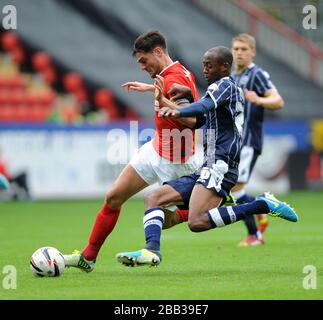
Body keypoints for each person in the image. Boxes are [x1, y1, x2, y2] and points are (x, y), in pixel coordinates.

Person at [116, 46, 297, 267]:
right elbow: (199, 120)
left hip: (221, 166)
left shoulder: (226, 86)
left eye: (209, 66)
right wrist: (163, 99)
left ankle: (262, 205)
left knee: (197, 222)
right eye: (203, 65)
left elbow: (202, 106)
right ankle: (151, 250)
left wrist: (180, 109)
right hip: (207, 166)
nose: (204, 70)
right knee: (154, 200)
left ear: (225, 67)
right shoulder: (218, 90)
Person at [63, 30, 202, 272]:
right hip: (155, 150)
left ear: (158, 52)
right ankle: (89, 257)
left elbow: (192, 119)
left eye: (143, 60)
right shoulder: (172, 74)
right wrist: (150, 89)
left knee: (171, 219)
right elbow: (170, 92)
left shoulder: (174, 79)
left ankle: (217, 202)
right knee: (113, 197)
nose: (141, 66)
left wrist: (169, 105)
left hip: (177, 163)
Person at [230, 33, 284, 246]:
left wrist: (259, 99)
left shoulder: (257, 75)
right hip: (233, 142)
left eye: (244, 49)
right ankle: (261, 206)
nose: (239, 53)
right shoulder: (232, 77)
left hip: (249, 141)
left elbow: (278, 101)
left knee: (234, 189)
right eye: (236, 49)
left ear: (253, 51)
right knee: (231, 189)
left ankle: (255, 234)